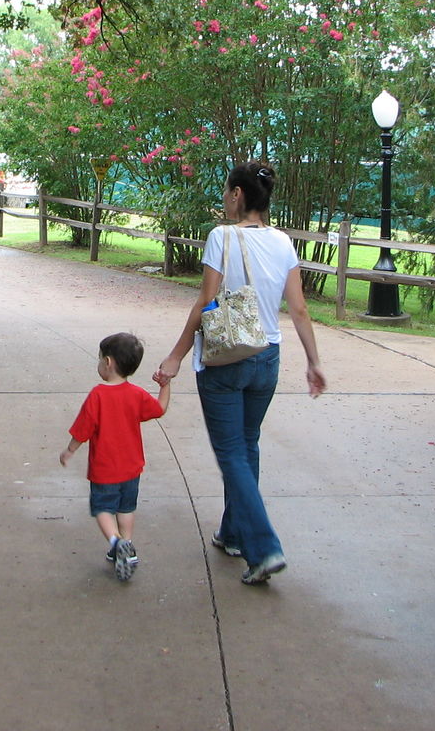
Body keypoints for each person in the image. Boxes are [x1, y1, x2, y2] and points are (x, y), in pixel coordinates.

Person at [153, 162, 326, 585]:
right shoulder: (284, 242)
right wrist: (313, 362)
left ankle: (264, 547)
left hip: (224, 359)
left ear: (238, 196)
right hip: (267, 357)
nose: (225, 198)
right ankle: (233, 532)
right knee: (246, 446)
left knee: (232, 451)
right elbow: (299, 309)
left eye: (227, 191)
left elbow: (205, 304)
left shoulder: (221, 237)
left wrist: (175, 357)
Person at [60, 332, 171, 581]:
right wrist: (165, 385)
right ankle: (127, 546)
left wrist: (70, 450)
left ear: (108, 363)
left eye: (100, 359)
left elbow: (83, 430)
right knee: (126, 508)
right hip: (132, 469)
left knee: (102, 508)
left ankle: (114, 542)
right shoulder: (137, 394)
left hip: (104, 470)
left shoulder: (98, 395)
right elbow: (160, 409)